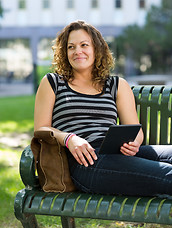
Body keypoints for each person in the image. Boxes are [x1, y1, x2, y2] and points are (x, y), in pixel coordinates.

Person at [34, 20, 172, 198]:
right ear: (64, 52)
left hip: (117, 153)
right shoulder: (52, 82)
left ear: (96, 49)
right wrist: (69, 139)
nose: (78, 51)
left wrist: (133, 143)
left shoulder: (117, 85)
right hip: (84, 163)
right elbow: (41, 130)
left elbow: (135, 129)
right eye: (71, 47)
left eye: (84, 45)